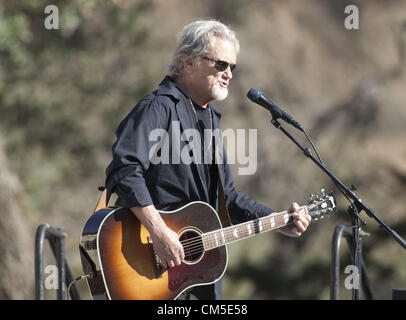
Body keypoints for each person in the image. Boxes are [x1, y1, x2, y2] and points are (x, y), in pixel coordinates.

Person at [105, 19, 311, 300]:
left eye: (232, 68)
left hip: (200, 270)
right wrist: (160, 232)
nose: (228, 74)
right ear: (188, 62)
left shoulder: (210, 119)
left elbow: (227, 196)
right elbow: (125, 169)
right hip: (150, 266)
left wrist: (276, 220)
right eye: (220, 64)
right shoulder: (158, 107)